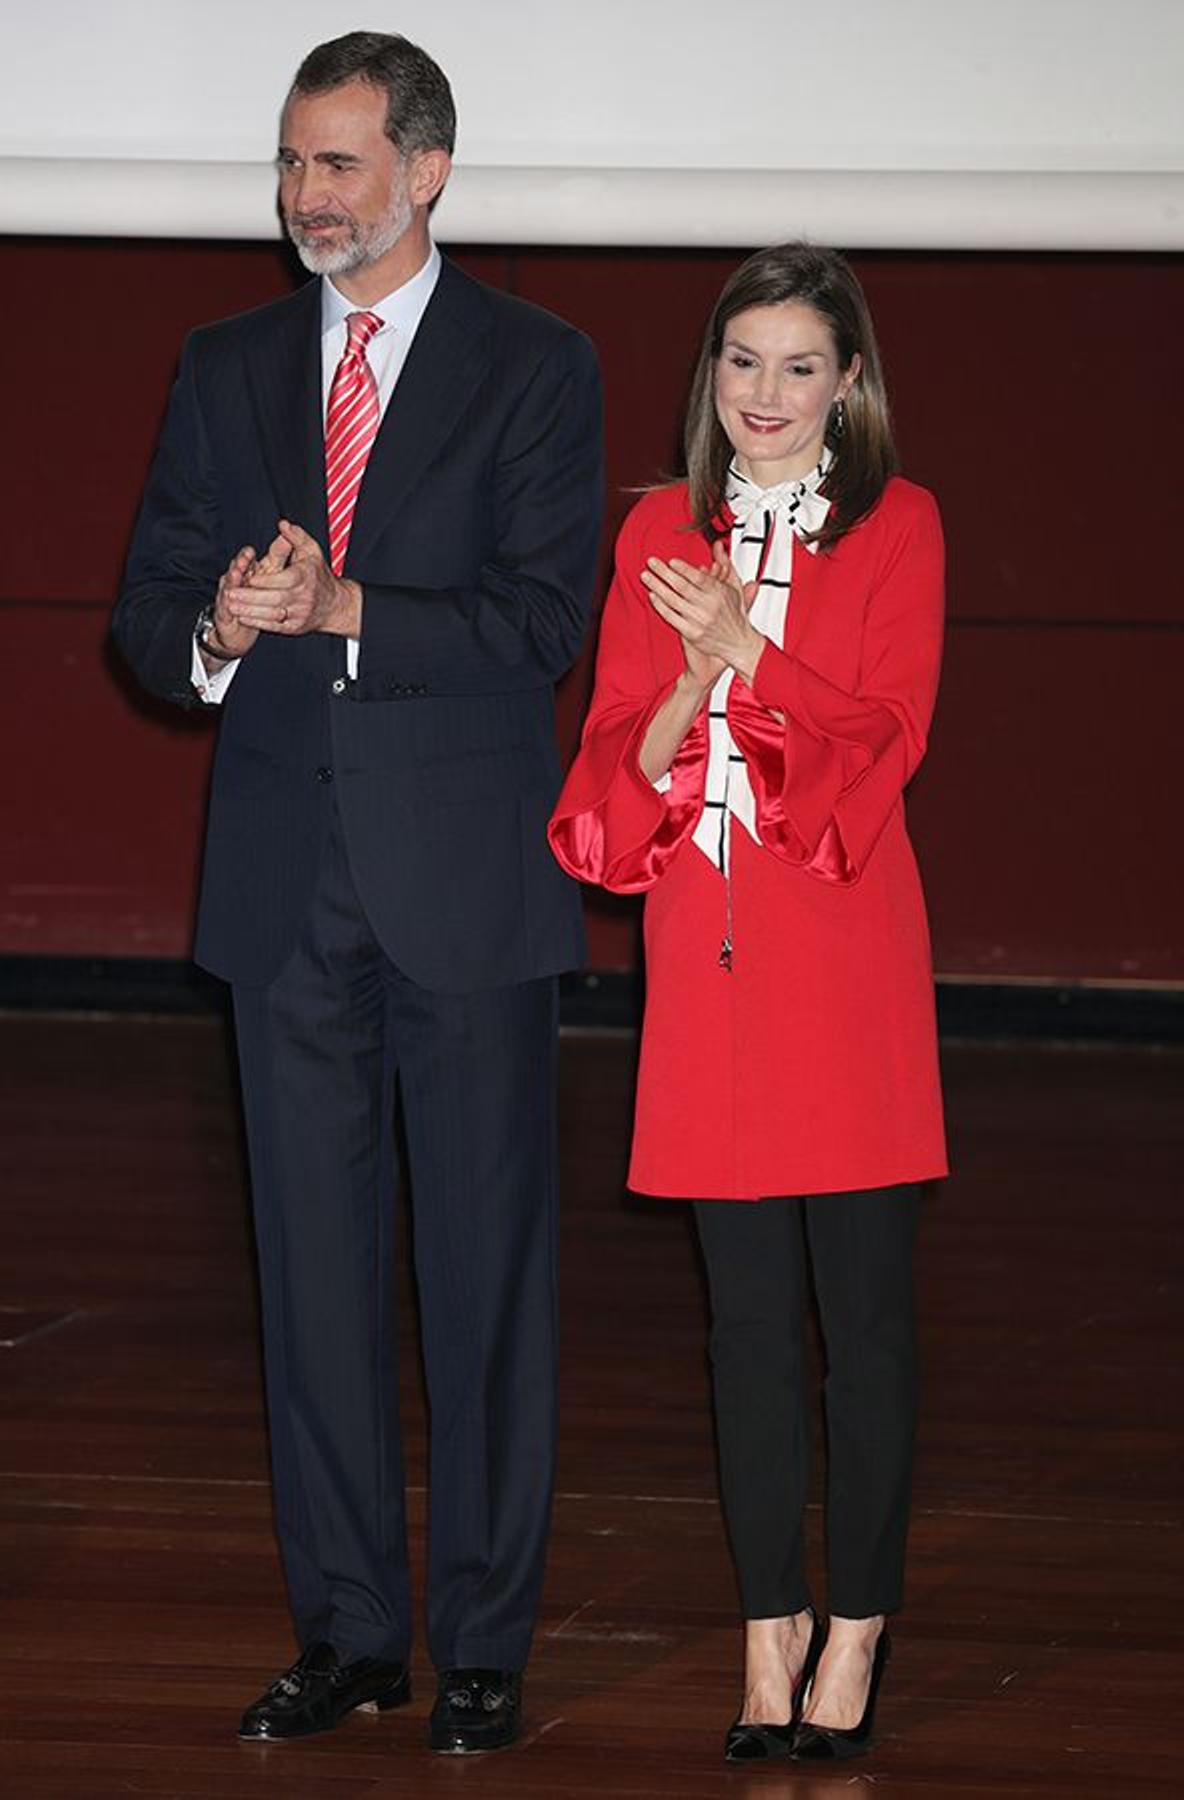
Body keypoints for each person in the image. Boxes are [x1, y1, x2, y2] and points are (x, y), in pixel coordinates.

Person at [112, 31, 603, 1757]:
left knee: (484, 1277)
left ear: (426, 173)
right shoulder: (224, 360)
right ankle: (348, 1634)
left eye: (335, 165)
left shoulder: (534, 363)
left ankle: (480, 1641)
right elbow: (146, 612)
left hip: (463, 887)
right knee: (310, 1281)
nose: (302, 196)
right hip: (279, 884)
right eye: (290, 162)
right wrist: (222, 624)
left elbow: (550, 625)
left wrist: (349, 611)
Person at [548, 241, 945, 1763]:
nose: (765, 394)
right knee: (747, 1334)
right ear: (709, 375)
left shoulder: (901, 527)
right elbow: (603, 784)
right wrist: (687, 680)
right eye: (741, 362)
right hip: (700, 983)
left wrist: (748, 655)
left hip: (842, 974)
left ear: (848, 384)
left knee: (869, 1325)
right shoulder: (657, 526)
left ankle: (860, 1627)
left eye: (799, 365)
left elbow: (885, 748)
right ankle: (767, 1623)